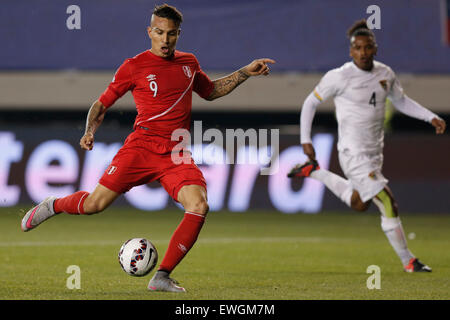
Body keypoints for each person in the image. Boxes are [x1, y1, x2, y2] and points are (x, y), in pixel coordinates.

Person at [21, 4, 275, 292]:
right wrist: (90, 131)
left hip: (176, 152)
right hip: (140, 148)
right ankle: (52, 205)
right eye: (159, 33)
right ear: (149, 32)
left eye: (172, 34)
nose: (165, 40)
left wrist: (244, 72)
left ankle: (162, 275)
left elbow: (211, 92)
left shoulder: (189, 63)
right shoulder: (134, 66)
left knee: (199, 205)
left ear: (179, 34)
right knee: (94, 205)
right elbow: (102, 103)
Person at [288, 19, 446, 273]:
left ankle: (312, 171)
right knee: (386, 200)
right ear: (351, 51)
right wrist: (305, 140)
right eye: (358, 48)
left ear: (375, 48)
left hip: (374, 153)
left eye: (367, 47)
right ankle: (409, 261)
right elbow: (310, 103)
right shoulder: (339, 77)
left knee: (359, 203)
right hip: (352, 152)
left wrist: (430, 117)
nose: (363, 52)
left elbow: (402, 101)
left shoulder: (385, 74)